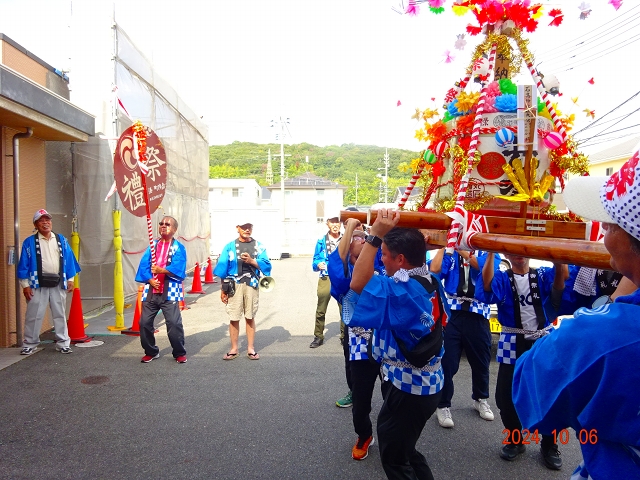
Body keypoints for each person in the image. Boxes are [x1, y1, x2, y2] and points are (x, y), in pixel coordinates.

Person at [513, 152, 640, 479]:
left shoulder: (596, 337)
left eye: (609, 224)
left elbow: (529, 391)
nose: (603, 236)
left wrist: (609, 306)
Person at [345, 208, 448, 479]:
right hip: (422, 385)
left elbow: (358, 282)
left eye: (385, 256)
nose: (382, 261)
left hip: (410, 390)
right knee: (406, 451)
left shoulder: (403, 293)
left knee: (395, 459)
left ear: (401, 259)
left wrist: (376, 234)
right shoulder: (428, 280)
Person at [477, 252, 567, 470]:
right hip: (511, 340)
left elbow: (561, 282)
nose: (519, 256)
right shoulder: (502, 277)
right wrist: (490, 252)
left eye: (523, 251)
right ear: (507, 253)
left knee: (547, 395)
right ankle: (515, 440)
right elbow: (487, 287)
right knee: (505, 398)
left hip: (541, 339)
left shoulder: (542, 275)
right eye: (513, 252)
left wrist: (557, 257)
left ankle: (549, 444)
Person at [328, 218, 383, 460]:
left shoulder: (381, 265)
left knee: (396, 395)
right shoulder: (343, 279)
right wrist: (349, 228)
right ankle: (364, 435)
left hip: (388, 341)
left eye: (365, 237)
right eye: (357, 239)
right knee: (361, 400)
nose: (362, 240)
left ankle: (393, 436)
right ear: (348, 245)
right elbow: (336, 262)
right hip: (360, 344)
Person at [429, 248, 500, 428]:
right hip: (453, 313)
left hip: (479, 313)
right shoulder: (451, 252)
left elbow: (487, 270)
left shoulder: (488, 251)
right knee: (448, 362)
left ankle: (481, 398)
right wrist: (445, 246)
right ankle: (443, 405)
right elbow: (435, 270)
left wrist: (463, 250)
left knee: (481, 362)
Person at [17, 209, 81, 355]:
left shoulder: (61, 240)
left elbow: (69, 260)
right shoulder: (29, 242)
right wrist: (25, 285)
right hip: (36, 283)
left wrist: (70, 279)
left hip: (58, 282)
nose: (45, 223)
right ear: (36, 224)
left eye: (48, 220)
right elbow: (23, 264)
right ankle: (30, 343)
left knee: (60, 313)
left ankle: (63, 343)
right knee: (34, 314)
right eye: (41, 220)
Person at [214, 222, 271, 361]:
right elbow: (223, 268)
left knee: (250, 316)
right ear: (237, 228)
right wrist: (223, 289)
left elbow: (267, 265)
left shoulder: (259, 245)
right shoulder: (229, 246)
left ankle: (250, 348)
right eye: (243, 227)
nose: (247, 229)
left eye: (249, 227)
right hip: (234, 284)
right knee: (234, 317)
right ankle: (234, 348)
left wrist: (252, 261)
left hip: (252, 283)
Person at [135, 216, 187, 364]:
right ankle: (151, 351)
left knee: (174, 323)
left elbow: (179, 267)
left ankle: (179, 352)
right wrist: (150, 279)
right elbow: (144, 265)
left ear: (174, 229)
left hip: (170, 290)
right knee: (144, 322)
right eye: (161, 224)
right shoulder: (152, 246)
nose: (163, 226)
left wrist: (161, 270)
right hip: (151, 290)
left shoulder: (178, 247)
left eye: (167, 224)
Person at [310, 215, 342, 349]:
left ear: (340, 224)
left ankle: (345, 336)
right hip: (326, 276)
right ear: (327, 224)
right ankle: (318, 336)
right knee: (321, 308)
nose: (335, 225)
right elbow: (315, 260)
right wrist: (318, 264)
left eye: (337, 222)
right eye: (332, 222)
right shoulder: (321, 241)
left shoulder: (347, 239)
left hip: (342, 276)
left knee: (344, 307)